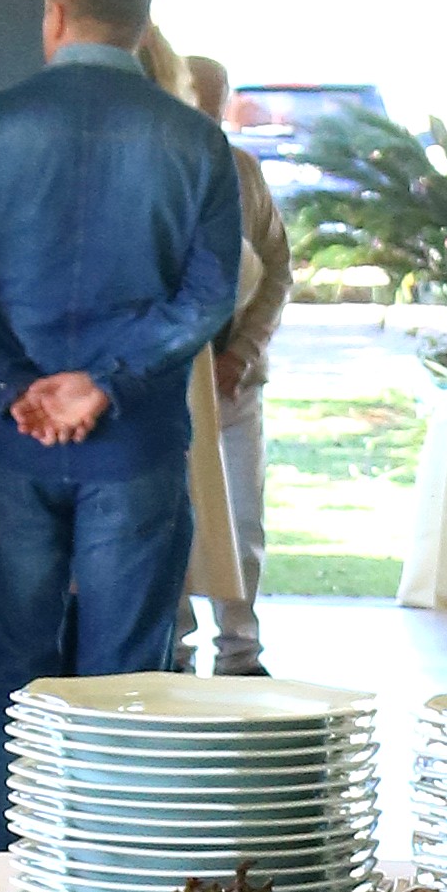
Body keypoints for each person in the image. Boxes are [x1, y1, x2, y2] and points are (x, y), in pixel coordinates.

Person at [0, 0, 241, 862]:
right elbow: (208, 297)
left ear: (54, 13)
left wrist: (19, 382)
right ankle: (109, 879)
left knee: (9, 667)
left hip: (12, 440)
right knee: (125, 679)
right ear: (142, 23)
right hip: (133, 444)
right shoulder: (196, 140)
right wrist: (106, 382)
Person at [166, 47, 288, 678]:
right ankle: (175, 649)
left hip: (233, 386)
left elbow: (277, 271)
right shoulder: (157, 170)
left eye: (214, 109)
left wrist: (242, 353)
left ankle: (240, 650)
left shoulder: (242, 173)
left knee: (242, 520)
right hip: (170, 386)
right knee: (174, 520)